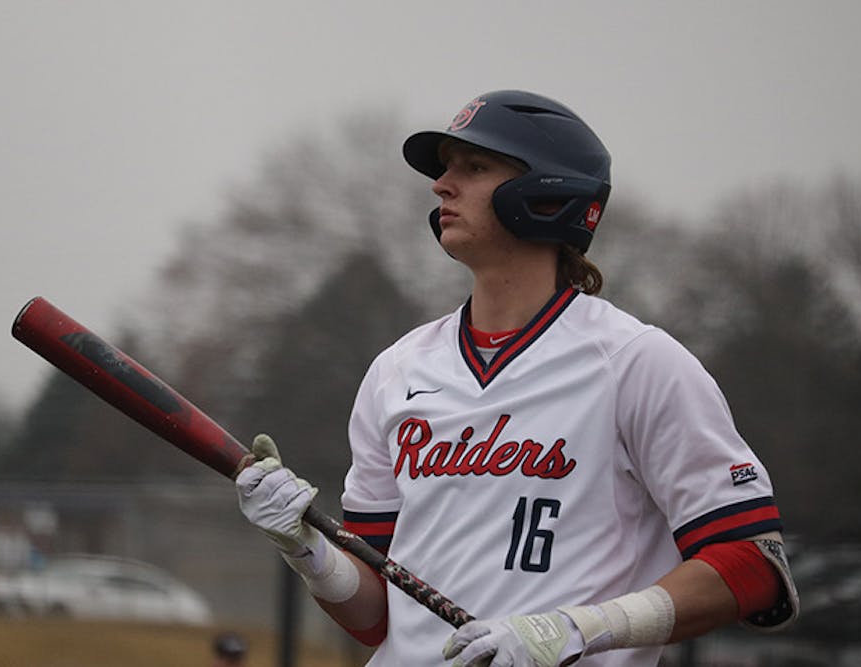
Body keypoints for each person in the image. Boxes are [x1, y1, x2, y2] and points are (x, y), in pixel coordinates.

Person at [235, 90, 799, 666]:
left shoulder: (637, 362)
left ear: (548, 193)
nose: (441, 185)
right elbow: (376, 615)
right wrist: (307, 550)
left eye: (474, 167)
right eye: (446, 169)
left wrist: (577, 631)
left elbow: (755, 565)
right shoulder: (396, 370)